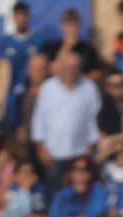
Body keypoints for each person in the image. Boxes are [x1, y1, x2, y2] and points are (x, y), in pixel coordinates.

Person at [32, 51, 102, 189]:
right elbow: (39, 119)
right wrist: (41, 147)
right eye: (67, 66)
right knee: (54, 191)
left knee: (80, 191)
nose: (71, 70)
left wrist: (91, 146)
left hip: (80, 152)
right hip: (53, 152)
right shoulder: (48, 87)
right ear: (61, 67)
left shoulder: (90, 88)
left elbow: (94, 118)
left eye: (75, 66)